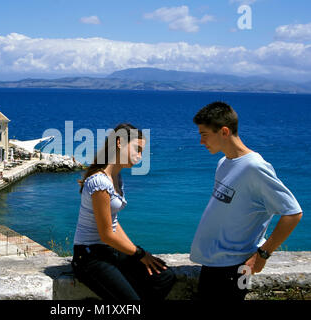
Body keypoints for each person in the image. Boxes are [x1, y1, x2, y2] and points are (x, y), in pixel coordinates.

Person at [190, 101, 303, 301]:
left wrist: (263, 255)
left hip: (236, 269)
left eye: (204, 134)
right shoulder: (224, 162)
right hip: (215, 264)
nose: (201, 141)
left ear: (224, 131)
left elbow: (293, 213)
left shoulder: (255, 167)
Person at [71, 123, 176, 301]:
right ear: (119, 143)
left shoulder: (116, 178)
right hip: (89, 256)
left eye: (142, 151)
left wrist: (137, 251)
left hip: (108, 251)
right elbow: (106, 235)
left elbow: (112, 222)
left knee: (165, 277)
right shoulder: (99, 182)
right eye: (137, 149)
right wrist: (139, 254)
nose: (140, 156)